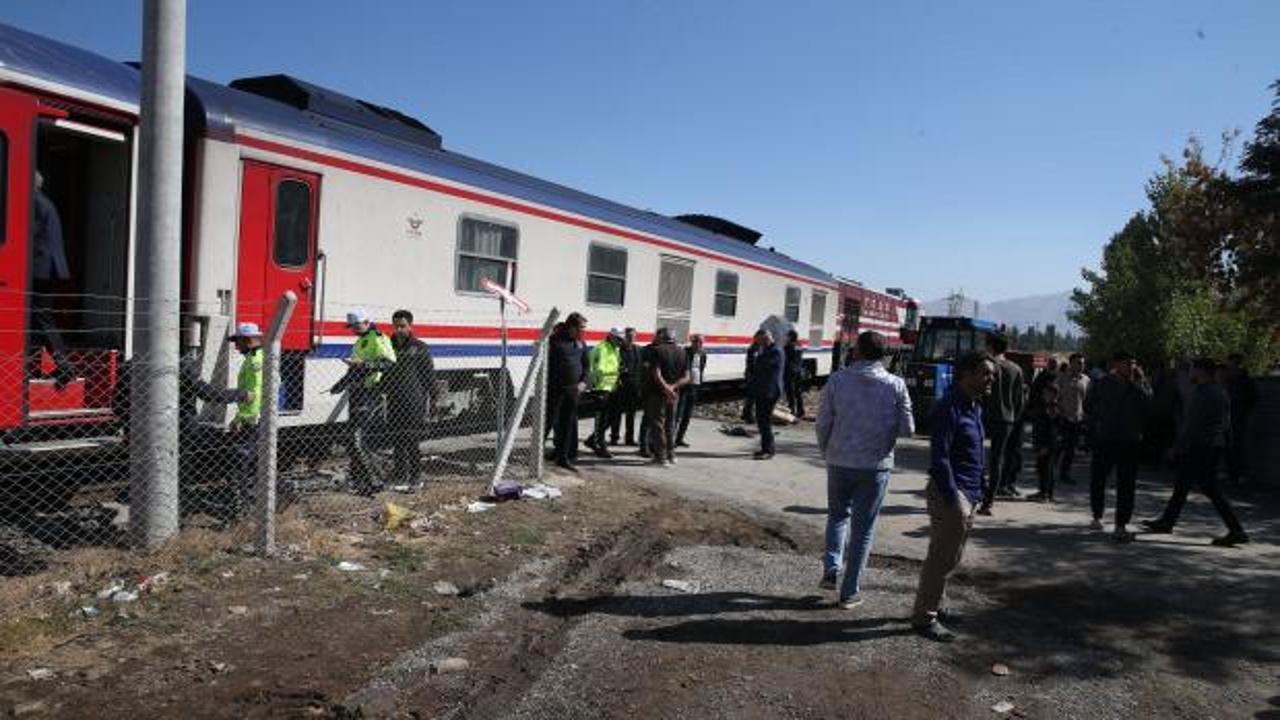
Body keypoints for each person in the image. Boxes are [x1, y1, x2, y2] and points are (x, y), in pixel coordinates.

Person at [816, 331, 914, 608]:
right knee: (864, 530)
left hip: (839, 460)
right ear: (884, 354)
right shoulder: (896, 385)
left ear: (857, 351)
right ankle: (849, 592)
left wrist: (827, 451)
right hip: (875, 466)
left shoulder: (836, 380)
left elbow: (823, 423)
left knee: (837, 517)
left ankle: (831, 570)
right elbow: (909, 429)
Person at [912, 351, 994, 643]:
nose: (990, 379)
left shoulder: (974, 406)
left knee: (951, 556)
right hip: (952, 493)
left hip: (969, 492)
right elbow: (940, 458)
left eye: (991, 374)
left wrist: (980, 489)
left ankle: (934, 606)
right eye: (985, 373)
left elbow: (976, 453)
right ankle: (925, 618)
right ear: (966, 374)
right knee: (941, 557)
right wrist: (954, 498)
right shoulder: (948, 407)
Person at [1143, 358, 1249, 546]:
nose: (1189, 373)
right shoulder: (1219, 391)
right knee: (1183, 485)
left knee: (1209, 488)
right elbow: (1226, 423)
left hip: (1201, 446)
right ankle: (1167, 521)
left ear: (1200, 371)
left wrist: (1177, 446)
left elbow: (1192, 424)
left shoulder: (1204, 393)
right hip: (1212, 444)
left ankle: (1236, 530)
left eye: (1192, 369)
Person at [1084, 351, 1152, 542]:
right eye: (1127, 363)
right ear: (1116, 364)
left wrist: (1141, 382)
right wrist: (1101, 420)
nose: (1131, 367)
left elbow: (1149, 406)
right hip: (1105, 438)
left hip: (1129, 441)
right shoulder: (1103, 383)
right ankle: (1097, 515)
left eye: (1133, 363)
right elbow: (1088, 405)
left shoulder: (1138, 385)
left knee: (1127, 484)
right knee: (1098, 479)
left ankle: (1120, 525)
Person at [329, 310, 397, 495]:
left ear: (367, 322)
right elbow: (355, 369)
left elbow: (390, 363)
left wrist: (364, 365)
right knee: (354, 438)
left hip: (370, 392)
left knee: (356, 438)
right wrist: (340, 384)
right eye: (351, 327)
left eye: (356, 326)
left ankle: (374, 481)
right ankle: (361, 479)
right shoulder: (359, 342)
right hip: (357, 391)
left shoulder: (379, 337)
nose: (353, 330)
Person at [30, 170, 76, 386]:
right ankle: (35, 365)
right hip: (48, 268)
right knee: (38, 318)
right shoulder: (45, 202)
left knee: (41, 317)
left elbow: (29, 235)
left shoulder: (33, 203)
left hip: (40, 268)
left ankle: (64, 365)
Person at [385, 309, 437, 490]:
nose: (399, 329)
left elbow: (429, 375)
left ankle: (415, 476)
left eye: (403, 326)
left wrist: (434, 398)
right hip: (394, 400)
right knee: (397, 440)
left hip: (414, 401)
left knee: (412, 440)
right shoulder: (387, 345)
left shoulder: (420, 347)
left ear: (410, 326)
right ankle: (400, 475)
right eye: (396, 326)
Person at [978, 333, 1024, 515]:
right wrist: (1013, 416)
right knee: (998, 460)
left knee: (976, 455)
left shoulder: (987, 366)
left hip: (984, 416)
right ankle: (988, 503)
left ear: (990, 346)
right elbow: (1020, 400)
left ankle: (976, 494)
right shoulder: (1016, 369)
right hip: (1007, 419)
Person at [642, 328, 689, 466]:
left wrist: (666, 388)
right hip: (674, 395)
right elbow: (687, 377)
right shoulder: (683, 352)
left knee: (658, 425)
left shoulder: (657, 350)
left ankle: (660, 458)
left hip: (657, 393)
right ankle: (671, 455)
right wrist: (673, 388)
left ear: (663, 337)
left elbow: (656, 373)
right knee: (670, 424)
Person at [548, 313, 589, 471]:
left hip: (573, 392)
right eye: (581, 327)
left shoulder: (580, 344)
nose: (584, 331)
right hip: (555, 391)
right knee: (548, 423)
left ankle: (562, 458)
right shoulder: (555, 341)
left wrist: (583, 382)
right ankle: (534, 457)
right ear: (572, 327)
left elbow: (586, 366)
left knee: (567, 425)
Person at [584, 327, 624, 459]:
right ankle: (600, 445)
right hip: (600, 389)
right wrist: (617, 373)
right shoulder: (601, 348)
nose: (620, 342)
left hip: (612, 389)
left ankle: (592, 440)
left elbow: (615, 366)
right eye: (618, 339)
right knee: (601, 419)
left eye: (621, 340)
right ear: (611, 336)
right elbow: (599, 369)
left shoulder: (615, 349)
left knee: (611, 418)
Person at [747, 330, 785, 460]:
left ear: (766, 338)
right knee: (761, 420)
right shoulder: (767, 351)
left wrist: (756, 354)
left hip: (770, 391)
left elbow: (761, 367)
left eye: (759, 341)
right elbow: (754, 368)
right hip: (763, 390)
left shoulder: (776, 351)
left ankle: (769, 450)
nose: (758, 344)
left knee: (765, 421)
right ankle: (765, 448)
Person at [1222, 353, 1257, 487]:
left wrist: (1244, 411)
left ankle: (1239, 474)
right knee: (1227, 445)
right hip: (1228, 415)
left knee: (1237, 445)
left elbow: (1252, 398)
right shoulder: (1228, 379)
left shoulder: (1244, 380)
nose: (1231, 366)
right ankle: (1230, 473)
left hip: (1238, 416)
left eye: (1233, 363)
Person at [1055, 353, 1090, 485]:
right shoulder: (1061, 378)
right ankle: (1048, 471)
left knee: (1070, 450)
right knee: (1058, 447)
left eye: (1082, 363)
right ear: (1071, 364)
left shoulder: (1086, 380)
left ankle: (1065, 474)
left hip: (1077, 420)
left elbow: (1087, 400)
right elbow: (1054, 396)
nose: (1081, 366)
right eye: (1078, 363)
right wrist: (1059, 412)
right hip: (1063, 418)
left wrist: (1086, 417)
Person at [1027, 383, 1061, 503]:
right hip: (1042, 441)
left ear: (1054, 394)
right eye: (1044, 393)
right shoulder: (1045, 406)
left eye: (1047, 393)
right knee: (1043, 467)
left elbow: (1052, 429)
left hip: (1047, 443)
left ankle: (1045, 493)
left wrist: (1046, 445)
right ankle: (1045, 492)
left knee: (1045, 469)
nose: (1044, 395)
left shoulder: (1052, 408)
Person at [609, 327, 642, 446]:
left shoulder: (638, 350)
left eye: (633, 337)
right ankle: (614, 437)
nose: (631, 339)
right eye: (628, 337)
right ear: (624, 337)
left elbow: (640, 369)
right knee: (616, 413)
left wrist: (640, 386)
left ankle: (629, 438)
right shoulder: (618, 350)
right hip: (620, 386)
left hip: (633, 387)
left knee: (631, 414)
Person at [674, 334, 707, 448]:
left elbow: (701, 368)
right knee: (678, 414)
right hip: (684, 386)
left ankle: (680, 438)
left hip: (695, 386)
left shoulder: (702, 354)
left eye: (702, 343)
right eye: (698, 342)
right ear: (693, 342)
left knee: (687, 416)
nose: (700, 345)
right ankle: (672, 439)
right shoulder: (685, 352)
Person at [741, 332, 764, 424]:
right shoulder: (754, 349)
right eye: (761, 338)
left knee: (751, 396)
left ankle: (746, 414)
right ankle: (748, 416)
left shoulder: (756, 348)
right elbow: (753, 364)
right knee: (752, 396)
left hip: (752, 375)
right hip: (753, 375)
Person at [784, 330, 806, 419]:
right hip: (799, 371)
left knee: (790, 392)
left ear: (790, 337)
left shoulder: (788, 346)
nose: (786, 338)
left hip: (790, 371)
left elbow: (784, 358)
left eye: (787, 336)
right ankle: (801, 411)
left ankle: (792, 410)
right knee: (798, 392)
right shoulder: (799, 345)